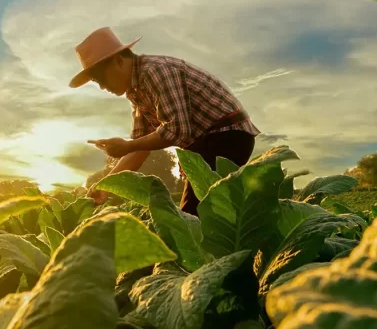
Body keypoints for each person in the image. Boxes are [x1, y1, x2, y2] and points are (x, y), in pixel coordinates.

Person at [69, 27, 259, 214]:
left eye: (101, 78)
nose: (102, 87)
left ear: (118, 61)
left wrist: (127, 146)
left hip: (227, 136)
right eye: (97, 82)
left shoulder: (155, 72)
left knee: (194, 217)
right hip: (206, 144)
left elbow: (177, 130)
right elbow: (140, 147)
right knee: (207, 215)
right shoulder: (137, 91)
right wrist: (106, 185)